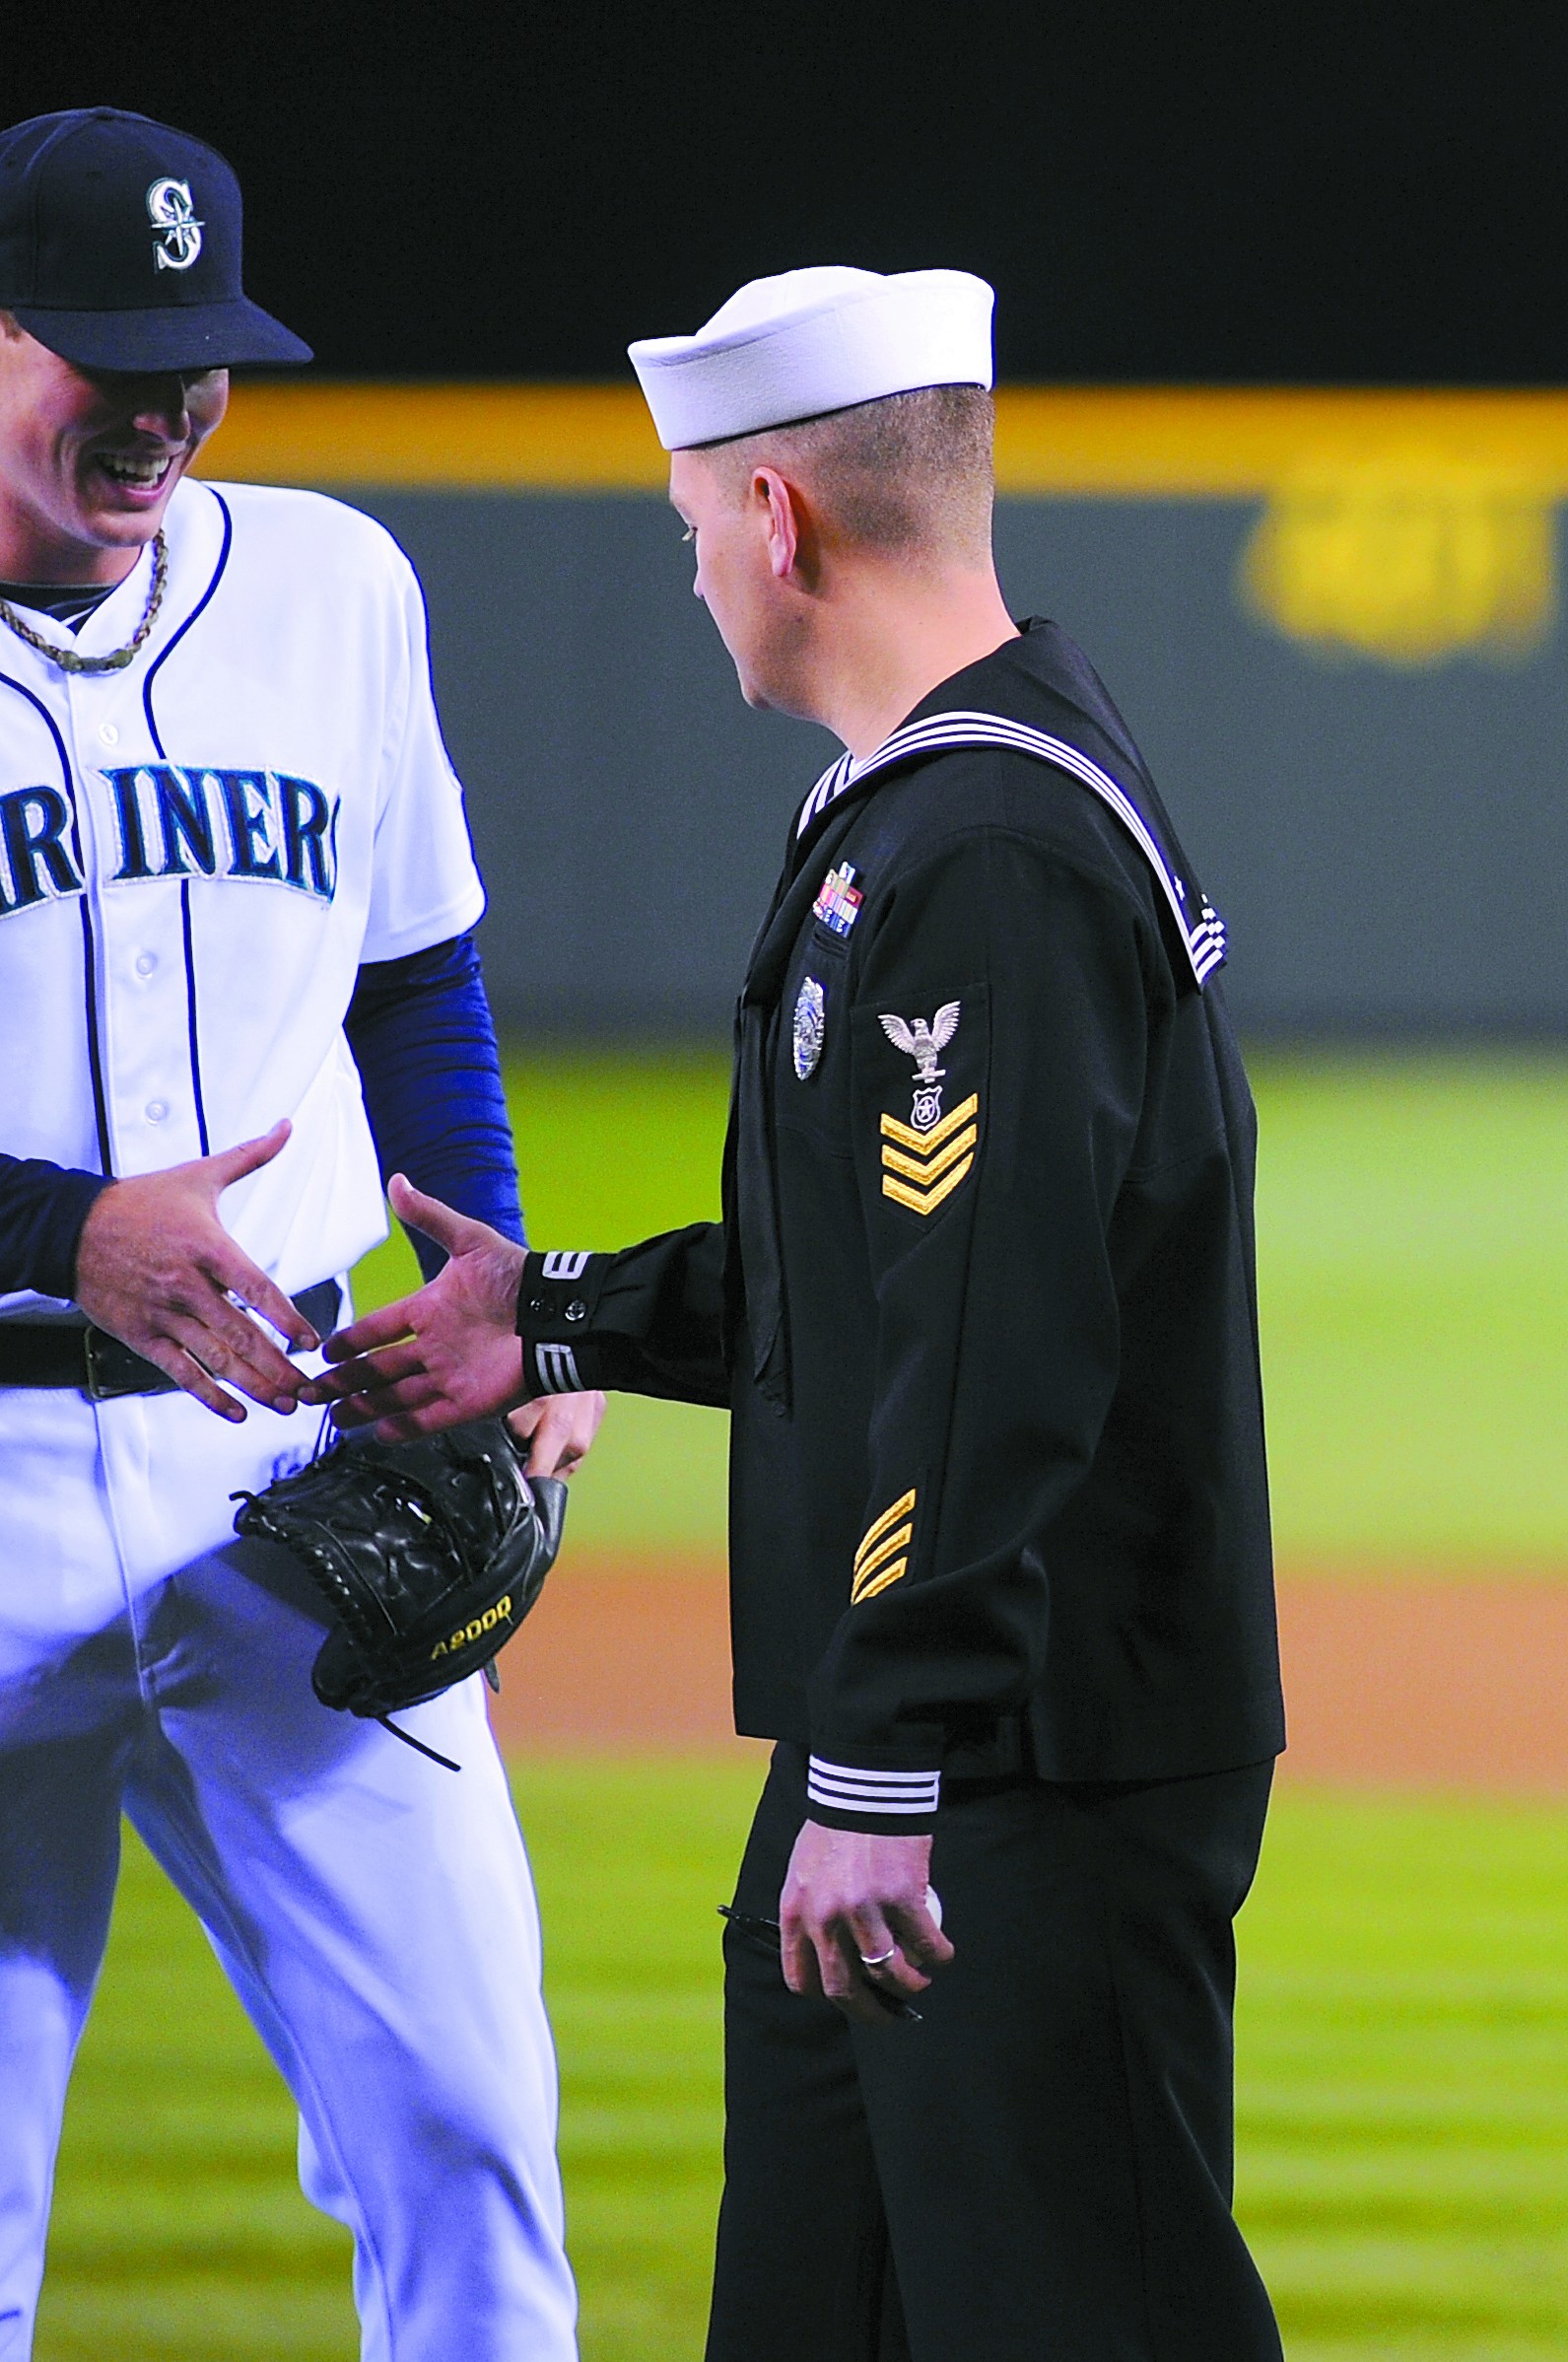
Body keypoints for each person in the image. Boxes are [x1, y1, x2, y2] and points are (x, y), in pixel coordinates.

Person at [308, 266, 1283, 2361]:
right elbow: (872, 1271)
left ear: (778, 519)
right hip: (944, 1728)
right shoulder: (942, 797)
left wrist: (885, 1763)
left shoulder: (991, 842)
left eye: (686, 533)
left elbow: (992, 1345)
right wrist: (553, 1317)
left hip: (1016, 1759)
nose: (691, 583)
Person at [0, 105, 600, 2359]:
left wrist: (507, 1293)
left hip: (301, 1482)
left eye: (203, 354)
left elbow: (417, 972)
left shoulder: (335, 587)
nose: (162, 403)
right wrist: (62, 1230)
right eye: (105, 348)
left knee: (469, 2129)